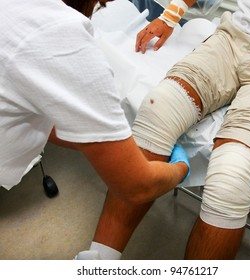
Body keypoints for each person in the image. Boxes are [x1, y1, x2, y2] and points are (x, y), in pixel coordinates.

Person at [88, 0, 250, 260]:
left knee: (233, 176)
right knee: (158, 109)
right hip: (232, 39)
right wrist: (170, 15)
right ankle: (98, 262)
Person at [0, 0, 191, 260]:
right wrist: (179, 169)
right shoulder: (61, 38)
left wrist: (113, 145)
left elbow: (38, 116)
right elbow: (138, 186)